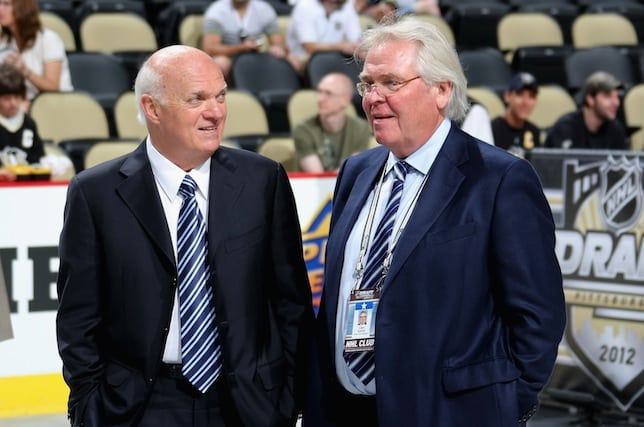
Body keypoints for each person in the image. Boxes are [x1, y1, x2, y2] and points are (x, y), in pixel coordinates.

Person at [303, 16, 566, 427]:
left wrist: (503, 404)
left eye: (391, 83)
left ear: (441, 90)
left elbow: (538, 315)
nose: (373, 98)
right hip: (348, 411)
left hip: (451, 414)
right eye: (368, 84)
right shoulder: (356, 172)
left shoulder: (499, 179)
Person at [56, 45, 313, 427]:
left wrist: (288, 397)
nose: (216, 112)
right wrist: (90, 405)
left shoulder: (264, 179)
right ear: (152, 108)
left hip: (248, 405)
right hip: (138, 408)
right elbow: (78, 318)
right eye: (197, 99)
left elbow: (291, 303)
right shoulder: (95, 193)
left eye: (220, 96)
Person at [0, 0, 73, 111]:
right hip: (20, 103)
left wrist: (25, 72)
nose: (0, 9)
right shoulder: (4, 42)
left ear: (22, 9)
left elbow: (53, 88)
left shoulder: (48, 39)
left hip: (56, 105)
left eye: (6, 4)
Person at [292, 72, 371, 172]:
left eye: (328, 93)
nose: (320, 99)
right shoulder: (303, 130)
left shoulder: (361, 128)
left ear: (345, 100)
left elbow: (354, 168)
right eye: (319, 92)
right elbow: (317, 175)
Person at [201, 0, 289, 82]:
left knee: (282, 57)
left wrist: (278, 48)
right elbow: (210, 49)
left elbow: (279, 42)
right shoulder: (216, 11)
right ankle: (223, 91)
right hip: (228, 57)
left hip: (256, 56)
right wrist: (242, 47)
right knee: (221, 63)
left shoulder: (264, 9)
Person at [545, 71, 628, 150]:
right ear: (590, 99)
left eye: (617, 96)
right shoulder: (565, 129)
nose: (616, 103)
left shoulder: (615, 129)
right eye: (607, 97)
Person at [286, 0, 363, 75]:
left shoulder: (347, 6)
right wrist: (342, 47)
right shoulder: (305, 6)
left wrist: (359, 49)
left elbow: (357, 39)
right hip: (303, 59)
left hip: (334, 57)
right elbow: (309, 47)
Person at [0, 62, 44, 181]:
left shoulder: (28, 123)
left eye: (17, 97)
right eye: (7, 98)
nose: (13, 103)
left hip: (25, 185)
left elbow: (38, 158)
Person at [491, 72, 541, 156]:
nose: (526, 102)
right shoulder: (492, 129)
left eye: (531, 96)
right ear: (507, 96)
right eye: (520, 94)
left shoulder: (534, 132)